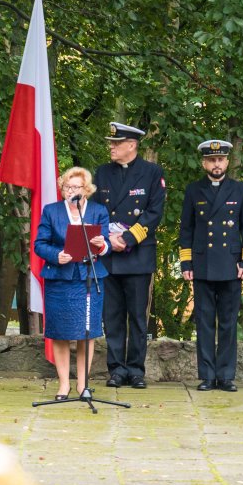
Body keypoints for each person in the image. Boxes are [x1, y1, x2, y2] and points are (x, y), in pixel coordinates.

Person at [179, 140, 243, 392]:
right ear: (204, 162)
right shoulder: (193, 190)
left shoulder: (240, 190)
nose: (216, 164)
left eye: (221, 159)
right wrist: (186, 262)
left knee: (227, 322)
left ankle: (225, 375)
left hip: (231, 265)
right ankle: (207, 375)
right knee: (204, 322)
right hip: (202, 265)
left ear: (227, 162)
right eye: (211, 160)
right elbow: (186, 229)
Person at [92, 122, 165, 389]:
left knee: (136, 316)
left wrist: (128, 238)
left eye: (116, 143)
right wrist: (108, 239)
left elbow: (154, 213)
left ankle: (136, 369)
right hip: (109, 254)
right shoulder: (102, 173)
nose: (111, 146)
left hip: (137, 255)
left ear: (132, 145)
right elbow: (95, 211)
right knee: (111, 316)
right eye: (111, 142)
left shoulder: (151, 173)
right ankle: (116, 369)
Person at [34, 167, 110, 399]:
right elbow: (39, 243)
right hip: (59, 280)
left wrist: (101, 244)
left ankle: (82, 385)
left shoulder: (98, 211)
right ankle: (64, 384)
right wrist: (56, 255)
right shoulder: (51, 211)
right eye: (67, 187)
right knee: (60, 333)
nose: (71, 191)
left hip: (88, 278)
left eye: (76, 187)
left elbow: (106, 244)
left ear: (86, 190)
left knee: (86, 333)